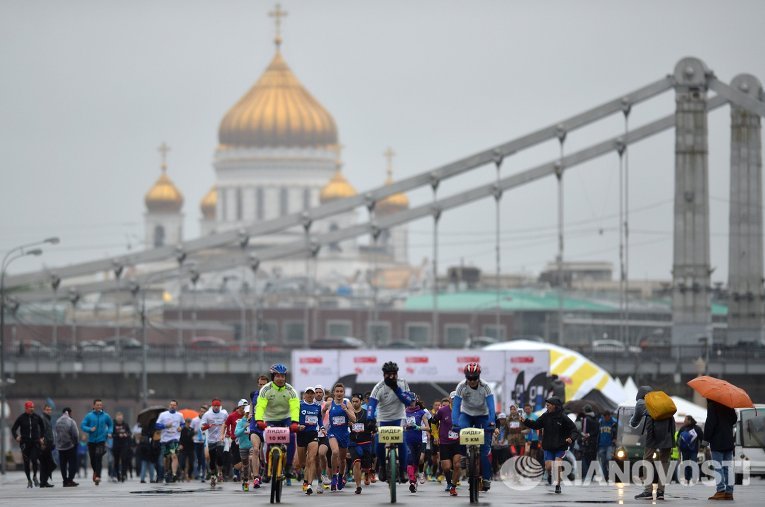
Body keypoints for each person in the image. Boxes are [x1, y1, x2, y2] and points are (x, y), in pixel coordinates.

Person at [451, 362, 496, 491]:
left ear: (478, 377)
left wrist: (492, 422)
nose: (471, 381)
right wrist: (455, 422)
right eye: (469, 378)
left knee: (484, 451)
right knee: (462, 429)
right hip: (467, 414)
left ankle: (486, 478)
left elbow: (492, 407)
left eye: (474, 378)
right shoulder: (461, 386)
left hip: (483, 415)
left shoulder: (486, 387)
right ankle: (465, 454)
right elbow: (455, 408)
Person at [367, 361, 413, 484]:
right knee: (378, 443)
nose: (392, 377)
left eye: (394, 374)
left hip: (399, 418)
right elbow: (371, 406)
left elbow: (408, 401)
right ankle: (382, 466)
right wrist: (370, 419)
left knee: (402, 441)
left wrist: (396, 389)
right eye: (389, 374)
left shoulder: (402, 383)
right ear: (384, 375)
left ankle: (403, 470)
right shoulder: (379, 387)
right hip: (383, 419)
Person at [254, 363, 300, 485]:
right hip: (270, 418)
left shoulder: (291, 391)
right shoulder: (266, 389)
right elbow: (260, 406)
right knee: (269, 441)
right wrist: (259, 420)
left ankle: (288, 466)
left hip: (286, 418)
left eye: (282, 376)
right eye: (277, 376)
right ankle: (266, 469)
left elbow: (295, 407)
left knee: (291, 437)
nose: (280, 378)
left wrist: (295, 423)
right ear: (273, 376)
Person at [522, 397, 578, 494]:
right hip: (548, 445)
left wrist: (571, 438)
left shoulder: (563, 417)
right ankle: (551, 474)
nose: (546, 407)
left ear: (554, 406)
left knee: (557, 464)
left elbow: (574, 429)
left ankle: (558, 485)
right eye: (546, 405)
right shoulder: (545, 416)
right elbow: (536, 425)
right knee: (548, 466)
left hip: (561, 446)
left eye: (548, 405)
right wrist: (525, 421)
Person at [629, 386, 673, 501]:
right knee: (664, 461)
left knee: (647, 458)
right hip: (669, 428)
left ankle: (648, 490)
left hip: (653, 428)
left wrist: (632, 420)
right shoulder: (661, 400)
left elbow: (634, 422)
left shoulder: (641, 403)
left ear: (640, 395)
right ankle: (661, 492)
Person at [323, 382, 355, 491]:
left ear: (344, 393)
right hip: (332, 432)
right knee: (335, 452)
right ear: (334, 393)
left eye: (341, 391)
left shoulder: (347, 402)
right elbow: (322, 412)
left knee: (342, 459)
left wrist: (346, 409)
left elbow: (354, 419)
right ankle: (334, 476)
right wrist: (322, 425)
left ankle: (341, 476)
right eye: (337, 391)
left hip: (344, 434)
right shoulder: (329, 404)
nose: (339, 393)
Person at [704, 399, 737, 501]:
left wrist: (706, 439)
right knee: (728, 467)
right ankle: (729, 492)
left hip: (717, 441)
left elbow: (710, 423)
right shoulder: (728, 404)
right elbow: (734, 419)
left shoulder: (712, 405)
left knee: (718, 467)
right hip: (728, 440)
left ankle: (720, 491)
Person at [432, 393, 461, 496]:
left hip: (458, 442)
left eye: (456, 399)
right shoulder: (442, 411)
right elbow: (433, 422)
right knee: (447, 467)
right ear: (449, 399)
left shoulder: (462, 410)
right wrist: (435, 436)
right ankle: (449, 482)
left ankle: (453, 487)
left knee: (457, 465)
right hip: (444, 442)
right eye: (452, 399)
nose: (454, 400)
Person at [12, 401, 45, 487]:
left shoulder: (37, 417)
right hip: (25, 443)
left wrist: (41, 437)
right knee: (26, 462)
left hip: (35, 442)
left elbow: (42, 427)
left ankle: (34, 476)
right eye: (30, 408)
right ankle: (29, 480)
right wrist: (16, 437)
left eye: (33, 407)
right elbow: (13, 429)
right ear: (26, 408)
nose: (32, 409)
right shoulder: (21, 418)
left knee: (34, 460)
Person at [80, 399, 113, 485]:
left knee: (98, 457)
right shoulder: (89, 416)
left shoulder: (106, 416)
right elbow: (82, 425)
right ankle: (96, 472)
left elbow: (110, 425)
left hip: (101, 440)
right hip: (91, 441)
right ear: (94, 406)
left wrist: (109, 432)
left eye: (100, 405)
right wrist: (90, 429)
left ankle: (98, 476)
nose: (99, 406)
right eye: (97, 405)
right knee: (93, 460)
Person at [297, 387, 321, 495]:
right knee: (302, 462)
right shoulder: (299, 405)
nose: (310, 395)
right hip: (301, 434)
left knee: (311, 459)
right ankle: (305, 479)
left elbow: (319, 419)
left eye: (312, 393)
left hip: (313, 434)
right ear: (304, 395)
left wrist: (322, 428)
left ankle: (310, 484)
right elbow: (293, 418)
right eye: (308, 393)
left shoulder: (317, 406)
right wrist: (297, 426)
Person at [404, 394, 430, 492]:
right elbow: (400, 426)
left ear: (416, 401)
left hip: (418, 440)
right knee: (410, 460)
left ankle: (415, 480)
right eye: (409, 401)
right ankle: (412, 481)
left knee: (416, 461)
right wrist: (405, 426)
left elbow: (428, 427)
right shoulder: (403, 412)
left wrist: (419, 427)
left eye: (412, 401)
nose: (411, 403)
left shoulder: (421, 412)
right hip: (408, 440)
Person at [349, 393, 375, 495]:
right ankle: (358, 486)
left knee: (366, 466)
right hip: (353, 442)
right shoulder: (349, 414)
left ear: (361, 402)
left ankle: (367, 473)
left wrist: (372, 427)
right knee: (356, 463)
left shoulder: (366, 413)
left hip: (366, 442)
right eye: (353, 401)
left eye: (356, 401)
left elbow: (372, 424)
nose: (354, 403)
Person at [201, 398, 229, 486]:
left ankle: (220, 472)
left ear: (220, 406)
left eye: (218, 406)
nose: (216, 407)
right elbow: (202, 427)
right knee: (212, 459)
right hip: (211, 439)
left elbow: (228, 424)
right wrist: (208, 426)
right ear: (212, 406)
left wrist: (228, 433)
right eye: (215, 406)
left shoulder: (224, 414)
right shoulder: (207, 415)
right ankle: (213, 475)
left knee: (220, 455)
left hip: (220, 438)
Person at [155, 399, 185, 483]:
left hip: (174, 439)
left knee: (174, 455)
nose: (172, 406)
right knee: (166, 458)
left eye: (174, 405)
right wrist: (165, 425)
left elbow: (182, 423)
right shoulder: (163, 415)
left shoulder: (180, 415)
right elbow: (157, 425)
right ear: (169, 405)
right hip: (165, 440)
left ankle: (174, 474)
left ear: (176, 406)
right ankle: (166, 471)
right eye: (171, 405)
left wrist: (181, 427)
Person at [248, 375, 269, 489]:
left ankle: (266, 469)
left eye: (264, 385)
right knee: (255, 449)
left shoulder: (271, 395)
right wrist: (251, 414)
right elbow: (252, 403)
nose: (262, 387)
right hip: (255, 425)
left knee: (265, 453)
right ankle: (256, 477)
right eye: (260, 384)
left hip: (267, 426)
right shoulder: (253, 394)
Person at [54, 407, 80, 487]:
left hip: (60, 447)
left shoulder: (57, 421)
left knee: (63, 464)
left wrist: (58, 444)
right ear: (70, 413)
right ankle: (70, 480)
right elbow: (75, 434)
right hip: (70, 446)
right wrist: (75, 443)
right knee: (73, 463)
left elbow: (56, 433)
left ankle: (65, 481)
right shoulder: (71, 421)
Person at [225, 399, 248, 481]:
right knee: (238, 464)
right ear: (239, 407)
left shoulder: (248, 415)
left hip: (245, 440)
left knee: (246, 460)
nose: (244, 410)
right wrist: (226, 433)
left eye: (245, 408)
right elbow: (225, 425)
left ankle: (244, 476)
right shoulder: (232, 416)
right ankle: (237, 470)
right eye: (242, 408)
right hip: (235, 440)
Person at [676, 415, 703, 484]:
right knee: (686, 464)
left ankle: (694, 477)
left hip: (693, 450)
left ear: (690, 421)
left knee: (693, 463)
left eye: (685, 420)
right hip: (684, 450)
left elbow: (702, 437)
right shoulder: (683, 428)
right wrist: (678, 447)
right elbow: (679, 438)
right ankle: (687, 478)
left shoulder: (697, 428)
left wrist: (702, 447)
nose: (684, 421)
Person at [234, 405, 254, 491]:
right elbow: (236, 434)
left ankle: (255, 475)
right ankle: (245, 480)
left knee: (252, 458)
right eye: (247, 413)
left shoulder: (255, 421)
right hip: (242, 446)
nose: (249, 415)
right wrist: (244, 427)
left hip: (252, 445)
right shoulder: (240, 422)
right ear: (245, 413)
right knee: (245, 465)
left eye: (250, 413)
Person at [578, 405, 599, 481]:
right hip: (594, 442)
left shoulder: (586, 419)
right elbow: (597, 430)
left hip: (587, 443)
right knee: (593, 459)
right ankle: (592, 475)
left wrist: (584, 437)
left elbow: (584, 431)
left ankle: (587, 475)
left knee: (586, 458)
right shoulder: (596, 419)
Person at [39, 403, 56, 487]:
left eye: (50, 410)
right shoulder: (43, 419)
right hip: (45, 445)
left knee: (45, 464)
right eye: (47, 410)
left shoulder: (47, 419)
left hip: (48, 445)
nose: (49, 411)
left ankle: (43, 481)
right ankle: (43, 481)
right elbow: (41, 431)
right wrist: (43, 442)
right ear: (43, 410)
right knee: (51, 464)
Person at [111, 412, 132, 482]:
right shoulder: (113, 425)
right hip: (116, 445)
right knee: (116, 461)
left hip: (124, 445)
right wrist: (118, 435)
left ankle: (123, 474)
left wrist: (126, 434)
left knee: (124, 459)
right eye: (118, 416)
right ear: (116, 417)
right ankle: (117, 475)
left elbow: (130, 433)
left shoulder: (125, 425)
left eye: (121, 416)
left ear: (122, 417)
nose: (119, 418)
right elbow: (112, 434)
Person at [190, 404, 208, 481]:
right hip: (196, 441)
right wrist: (194, 432)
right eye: (201, 411)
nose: (202, 413)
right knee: (197, 458)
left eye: (204, 412)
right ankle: (196, 473)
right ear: (199, 412)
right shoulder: (194, 420)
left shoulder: (207, 420)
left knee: (204, 458)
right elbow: (190, 431)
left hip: (204, 442)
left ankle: (203, 473)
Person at [597, 411, 617, 482]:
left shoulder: (614, 422)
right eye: (605, 416)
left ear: (609, 416)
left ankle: (610, 474)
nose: (606, 418)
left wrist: (615, 438)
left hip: (610, 445)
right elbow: (598, 433)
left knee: (609, 459)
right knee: (603, 462)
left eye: (607, 416)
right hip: (601, 445)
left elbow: (619, 430)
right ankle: (605, 477)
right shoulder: (601, 422)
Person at [491, 413, 510, 478]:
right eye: (500, 419)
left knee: (504, 458)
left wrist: (504, 440)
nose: (502, 421)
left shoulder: (508, 426)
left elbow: (509, 435)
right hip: (495, 445)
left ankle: (503, 472)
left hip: (504, 445)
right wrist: (495, 441)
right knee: (494, 459)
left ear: (505, 420)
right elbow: (492, 434)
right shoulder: (494, 426)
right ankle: (494, 472)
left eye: (503, 419)